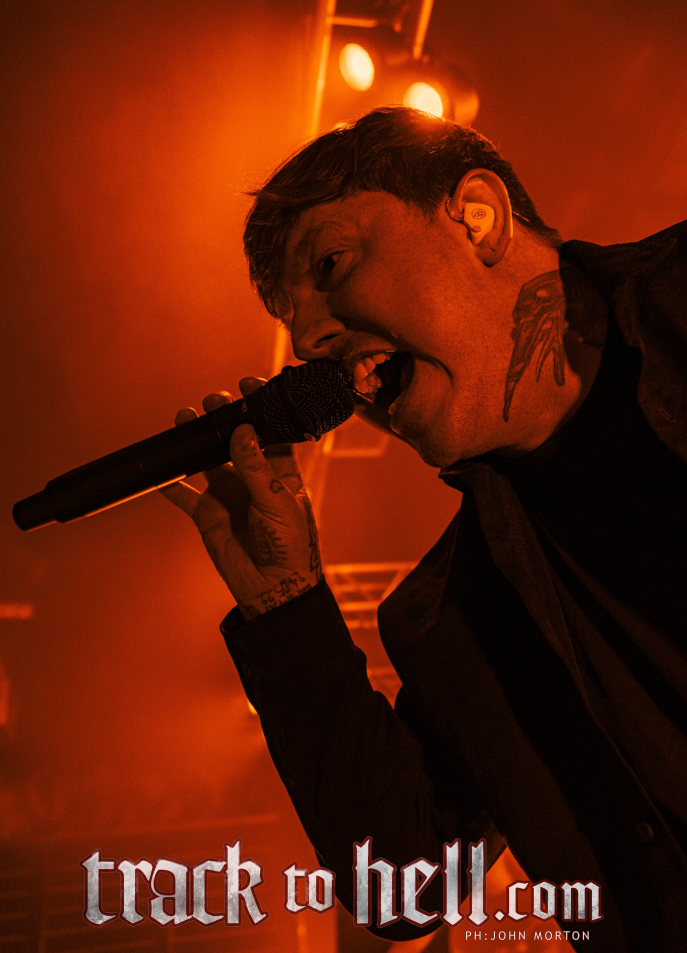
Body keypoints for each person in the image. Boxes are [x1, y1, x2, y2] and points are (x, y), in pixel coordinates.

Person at [161, 107, 687, 952]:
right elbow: (402, 885)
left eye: (330, 264)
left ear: (476, 217)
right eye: (295, 328)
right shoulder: (457, 620)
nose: (308, 341)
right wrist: (284, 601)